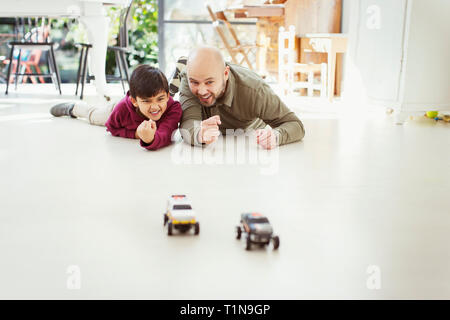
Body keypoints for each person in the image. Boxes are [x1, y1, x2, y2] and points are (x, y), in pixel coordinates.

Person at [177, 46, 305, 150]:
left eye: (209, 82)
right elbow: (188, 121)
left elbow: (296, 125)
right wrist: (199, 134)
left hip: (246, 133)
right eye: (194, 82)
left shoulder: (255, 90)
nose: (202, 90)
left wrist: (276, 136)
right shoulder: (188, 79)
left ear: (225, 74)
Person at [50, 65, 182, 151]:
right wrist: (135, 134)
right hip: (114, 110)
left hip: (137, 109)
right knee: (94, 116)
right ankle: (74, 108)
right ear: (134, 101)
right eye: (147, 101)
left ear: (167, 95)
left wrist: (150, 140)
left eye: (160, 98)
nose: (154, 106)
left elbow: (165, 133)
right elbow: (112, 128)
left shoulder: (173, 109)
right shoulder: (121, 110)